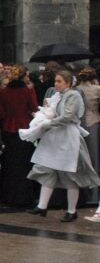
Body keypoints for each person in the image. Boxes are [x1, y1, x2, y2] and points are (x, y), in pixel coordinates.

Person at [25, 69, 100, 221]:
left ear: (67, 82)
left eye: (59, 81)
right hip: (57, 136)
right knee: (47, 168)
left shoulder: (73, 95)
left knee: (70, 173)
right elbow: (54, 112)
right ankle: (42, 206)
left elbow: (68, 116)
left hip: (68, 137)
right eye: (55, 81)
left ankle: (71, 211)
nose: (56, 84)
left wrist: (48, 123)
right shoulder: (60, 95)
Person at [0, 64, 39, 205]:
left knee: (9, 164)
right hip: (24, 128)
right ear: (23, 76)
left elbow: (1, 113)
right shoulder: (27, 91)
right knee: (24, 163)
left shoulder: (3, 92)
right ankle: (24, 196)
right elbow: (33, 107)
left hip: (8, 129)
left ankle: (7, 195)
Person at [75, 67, 100, 205]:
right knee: (95, 159)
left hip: (79, 125)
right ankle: (94, 194)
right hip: (94, 123)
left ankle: (83, 193)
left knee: (82, 159)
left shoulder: (76, 89)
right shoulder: (97, 89)